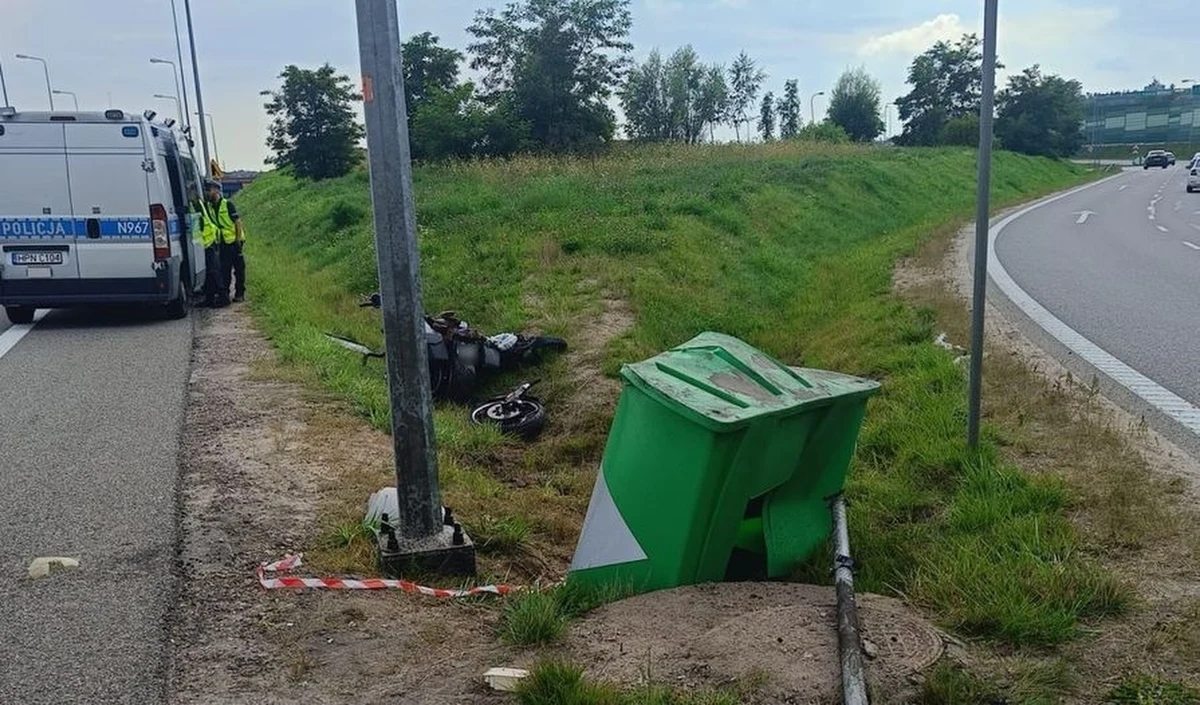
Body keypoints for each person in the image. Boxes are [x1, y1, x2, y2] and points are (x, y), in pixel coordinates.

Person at [204, 179, 246, 303]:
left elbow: (237, 223)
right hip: (222, 243)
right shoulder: (211, 207)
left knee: (238, 269)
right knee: (224, 269)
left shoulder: (227, 204)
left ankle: (240, 293)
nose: (207, 193)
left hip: (234, 242)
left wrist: (238, 241)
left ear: (217, 190)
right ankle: (225, 295)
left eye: (209, 190)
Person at [190, 186, 228, 308]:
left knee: (214, 271)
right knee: (208, 273)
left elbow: (199, 223)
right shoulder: (198, 203)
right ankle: (209, 298)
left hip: (208, 241)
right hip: (204, 242)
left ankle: (223, 297)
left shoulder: (197, 204)